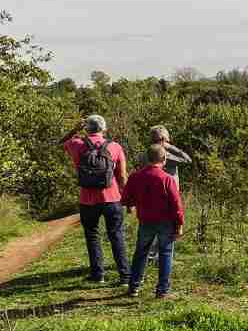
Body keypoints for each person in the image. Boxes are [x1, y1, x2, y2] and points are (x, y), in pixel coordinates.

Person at [59, 114, 129, 284]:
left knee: (92, 236)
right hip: (112, 197)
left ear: (87, 128)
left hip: (87, 199)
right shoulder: (115, 147)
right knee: (116, 235)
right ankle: (125, 275)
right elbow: (122, 176)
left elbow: (62, 143)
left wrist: (75, 129)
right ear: (104, 129)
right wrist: (127, 199)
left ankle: (98, 275)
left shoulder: (77, 144)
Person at [122, 144, 185, 299]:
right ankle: (162, 291)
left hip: (145, 221)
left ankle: (134, 287)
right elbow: (176, 205)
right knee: (165, 253)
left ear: (147, 158)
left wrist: (134, 204)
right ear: (164, 159)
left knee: (141, 253)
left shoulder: (135, 177)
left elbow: (126, 199)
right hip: (166, 222)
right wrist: (179, 224)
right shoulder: (167, 179)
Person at [145, 125, 191, 265]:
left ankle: (150, 257)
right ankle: (163, 259)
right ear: (164, 139)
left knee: (151, 227)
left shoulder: (148, 153)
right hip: (169, 196)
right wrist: (170, 147)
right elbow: (187, 159)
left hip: (150, 196)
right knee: (168, 228)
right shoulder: (167, 156)